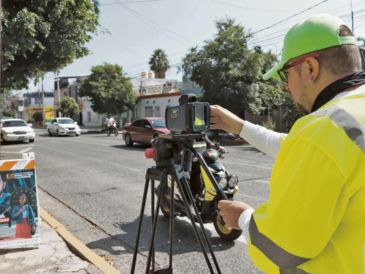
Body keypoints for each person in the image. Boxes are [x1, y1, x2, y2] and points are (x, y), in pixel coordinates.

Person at [211, 14, 365, 273]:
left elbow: (282, 248)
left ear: (310, 68)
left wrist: (243, 217)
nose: (286, 88)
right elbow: (306, 150)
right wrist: (238, 126)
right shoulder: (347, 120)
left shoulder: (324, 127)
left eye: (286, 75)